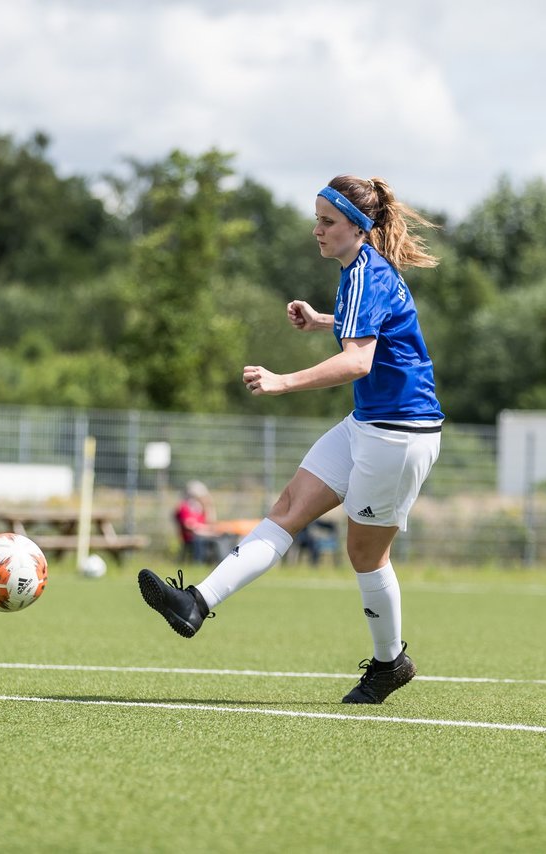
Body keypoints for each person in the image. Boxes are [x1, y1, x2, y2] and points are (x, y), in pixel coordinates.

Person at [138, 174, 443, 705]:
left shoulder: (366, 274)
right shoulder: (358, 272)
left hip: (399, 435)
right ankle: (195, 603)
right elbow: (377, 330)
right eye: (317, 219)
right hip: (369, 424)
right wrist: (326, 321)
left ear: (357, 226)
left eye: (327, 222)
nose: (316, 230)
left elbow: (359, 360)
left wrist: (284, 380)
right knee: (287, 509)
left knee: (365, 555)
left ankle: (391, 662)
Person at [173, 480, 217, 564]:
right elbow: (189, 525)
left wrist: (209, 506)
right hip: (192, 536)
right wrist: (205, 528)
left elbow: (211, 522)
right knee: (200, 539)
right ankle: (199, 562)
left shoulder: (200, 508)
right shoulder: (185, 507)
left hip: (202, 533)